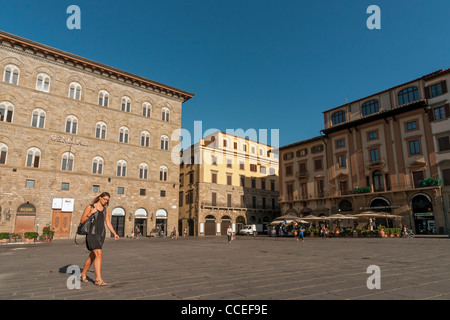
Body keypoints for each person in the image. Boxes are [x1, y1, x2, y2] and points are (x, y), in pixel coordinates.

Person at [79, 192, 119, 286]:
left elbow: (108, 223)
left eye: (107, 200)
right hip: (91, 234)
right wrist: (90, 213)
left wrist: (114, 233)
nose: (106, 201)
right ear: (100, 198)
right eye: (104, 199)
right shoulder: (91, 206)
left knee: (93, 256)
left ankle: (83, 274)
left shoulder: (106, 210)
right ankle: (98, 279)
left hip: (101, 235)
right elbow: (82, 220)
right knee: (99, 254)